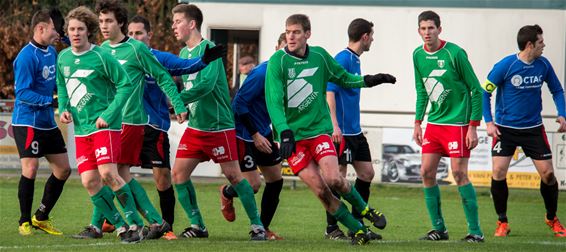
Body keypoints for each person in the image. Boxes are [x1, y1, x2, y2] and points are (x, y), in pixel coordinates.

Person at [265, 14, 395, 245]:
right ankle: (357, 230)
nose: (291, 36)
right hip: (293, 139)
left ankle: (365, 210)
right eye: (288, 32)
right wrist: (284, 131)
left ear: (307, 34)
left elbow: (343, 78)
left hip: (318, 132)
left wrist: (368, 80)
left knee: (334, 179)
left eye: (296, 32)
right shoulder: (278, 62)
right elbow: (273, 101)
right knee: (320, 191)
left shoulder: (320, 57)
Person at [170, 3, 266, 240]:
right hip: (196, 127)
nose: (174, 26)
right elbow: (192, 87)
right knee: (178, 175)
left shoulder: (210, 49)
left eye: (178, 21)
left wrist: (177, 101)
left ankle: (257, 226)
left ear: (192, 24)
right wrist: (186, 109)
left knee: (234, 176)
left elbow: (207, 85)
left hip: (218, 127)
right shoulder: (183, 54)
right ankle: (198, 225)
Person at [127, 15, 226, 240]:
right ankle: (107, 222)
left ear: (149, 35)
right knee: (113, 173)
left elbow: (184, 67)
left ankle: (167, 226)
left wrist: (204, 61)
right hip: (126, 125)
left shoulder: (159, 58)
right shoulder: (119, 56)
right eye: (131, 34)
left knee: (162, 178)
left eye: (139, 33)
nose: (134, 38)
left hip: (155, 126)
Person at [56, 6, 141, 243]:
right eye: (71, 29)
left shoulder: (102, 56)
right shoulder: (63, 57)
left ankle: (135, 224)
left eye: (80, 29)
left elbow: (125, 84)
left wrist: (109, 113)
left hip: (105, 127)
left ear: (89, 31)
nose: (75, 33)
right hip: (82, 130)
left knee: (108, 174)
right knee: (89, 181)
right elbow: (63, 85)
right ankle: (122, 226)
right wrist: (63, 108)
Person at [482, 24, 566, 238]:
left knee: (548, 174)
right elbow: (485, 93)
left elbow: (556, 89)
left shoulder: (543, 65)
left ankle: (552, 218)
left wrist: (562, 113)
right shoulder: (505, 66)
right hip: (505, 130)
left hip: (533, 129)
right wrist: (489, 122)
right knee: (498, 172)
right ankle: (502, 222)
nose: (544, 45)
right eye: (540, 42)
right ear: (530, 45)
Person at [412, 10, 484, 242]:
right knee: (425, 172)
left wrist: (473, 126)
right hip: (434, 123)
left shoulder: (455, 53)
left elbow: (476, 90)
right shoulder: (417, 55)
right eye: (423, 29)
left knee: (459, 174)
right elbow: (421, 90)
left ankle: (476, 232)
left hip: (458, 124)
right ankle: (439, 229)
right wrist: (417, 123)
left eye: (431, 28)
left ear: (439, 29)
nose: (427, 33)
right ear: (418, 31)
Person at [218, 33, 287, 241]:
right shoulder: (262, 73)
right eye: (284, 49)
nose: (288, 55)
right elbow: (238, 104)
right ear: (277, 49)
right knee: (254, 185)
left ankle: (263, 229)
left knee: (276, 179)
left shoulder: (289, 76)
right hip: (244, 133)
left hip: (263, 132)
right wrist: (255, 134)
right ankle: (228, 192)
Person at [13, 9, 70, 236]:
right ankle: (24, 221)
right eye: (54, 29)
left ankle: (41, 217)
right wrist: (51, 100)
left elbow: (55, 84)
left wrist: (64, 96)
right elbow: (23, 93)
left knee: (64, 169)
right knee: (31, 167)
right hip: (27, 121)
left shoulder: (53, 53)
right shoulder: (26, 56)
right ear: (41, 28)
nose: (58, 34)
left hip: (47, 122)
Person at [324, 18, 381, 241]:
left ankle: (356, 225)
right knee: (338, 178)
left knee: (367, 173)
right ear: (364, 36)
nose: (372, 40)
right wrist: (334, 125)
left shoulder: (355, 60)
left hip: (355, 132)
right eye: (372, 36)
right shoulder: (343, 58)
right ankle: (331, 228)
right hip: (343, 132)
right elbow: (329, 92)